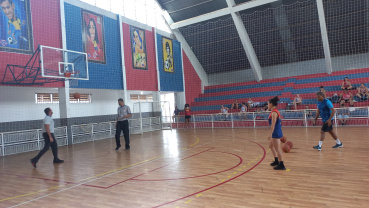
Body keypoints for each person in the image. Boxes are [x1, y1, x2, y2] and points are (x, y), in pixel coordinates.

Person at [267, 96, 286, 170]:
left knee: (277, 149)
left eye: (268, 104)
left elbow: (273, 124)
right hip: (275, 131)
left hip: (275, 132)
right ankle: (276, 160)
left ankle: (282, 165)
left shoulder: (274, 112)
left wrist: (270, 134)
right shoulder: (273, 111)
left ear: (271, 104)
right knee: (271, 147)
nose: (267, 105)